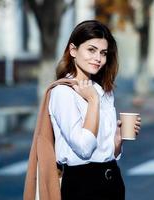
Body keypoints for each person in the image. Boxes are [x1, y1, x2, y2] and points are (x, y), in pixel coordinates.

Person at [50, 20, 141, 200]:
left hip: (112, 180)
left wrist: (117, 139)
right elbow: (84, 148)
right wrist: (92, 101)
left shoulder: (103, 91)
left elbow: (107, 153)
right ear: (73, 50)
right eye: (91, 50)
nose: (98, 58)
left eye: (103, 53)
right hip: (81, 185)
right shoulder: (63, 92)